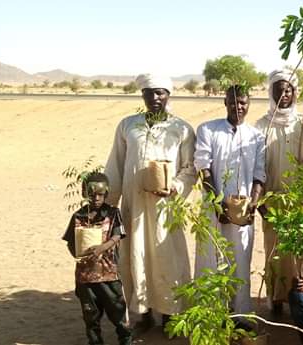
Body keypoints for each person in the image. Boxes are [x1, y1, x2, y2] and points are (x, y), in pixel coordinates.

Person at [104, 74, 195, 331]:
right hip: (134, 207)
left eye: (160, 93)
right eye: (149, 93)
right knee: (136, 255)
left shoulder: (182, 129)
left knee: (168, 259)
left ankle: (170, 314)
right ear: (142, 95)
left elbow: (189, 169)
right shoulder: (128, 126)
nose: (155, 98)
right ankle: (142, 312)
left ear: (168, 94)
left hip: (166, 209)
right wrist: (109, 205)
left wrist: (175, 187)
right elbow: (116, 165)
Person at [255, 69, 303, 314]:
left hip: (302, 204)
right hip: (273, 205)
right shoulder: (262, 126)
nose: (284, 94)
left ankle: (299, 302)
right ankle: (275, 300)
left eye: (289, 90)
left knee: (299, 258)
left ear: (296, 93)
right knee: (274, 254)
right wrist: (260, 204)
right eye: (278, 89)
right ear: (271, 92)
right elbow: (257, 168)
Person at [193, 85, 265, 315]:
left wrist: (252, 205)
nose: (238, 107)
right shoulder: (208, 130)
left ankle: (239, 315)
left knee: (241, 262)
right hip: (214, 209)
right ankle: (212, 316)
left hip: (243, 212)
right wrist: (218, 203)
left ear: (249, 104)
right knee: (211, 260)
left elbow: (259, 174)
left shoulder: (256, 136)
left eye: (243, 102)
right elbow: (203, 168)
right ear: (225, 103)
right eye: (233, 102)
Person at [62, 173, 132, 345]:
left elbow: (118, 235)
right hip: (85, 277)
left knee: (118, 313)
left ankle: (126, 341)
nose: (96, 198)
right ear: (85, 193)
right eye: (92, 194)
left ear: (106, 193)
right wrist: (79, 256)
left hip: (109, 275)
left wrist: (101, 248)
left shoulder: (112, 213)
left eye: (100, 194)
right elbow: (70, 242)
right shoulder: (78, 216)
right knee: (90, 317)